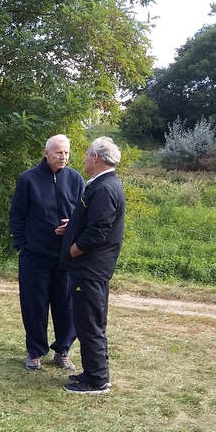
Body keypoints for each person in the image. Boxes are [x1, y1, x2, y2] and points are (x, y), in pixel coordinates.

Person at [9, 134, 85, 371]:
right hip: (34, 256)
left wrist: (73, 226)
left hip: (67, 257)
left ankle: (63, 351)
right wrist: (22, 246)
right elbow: (17, 214)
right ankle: (34, 352)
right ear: (46, 153)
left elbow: (85, 215)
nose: (63, 157)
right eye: (59, 152)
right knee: (34, 306)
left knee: (67, 306)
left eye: (67, 153)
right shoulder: (28, 179)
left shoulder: (76, 179)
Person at [60, 136, 125, 394]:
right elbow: (94, 220)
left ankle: (97, 381)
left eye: (87, 154)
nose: (84, 158)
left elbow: (98, 232)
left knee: (90, 323)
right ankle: (92, 373)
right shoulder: (101, 185)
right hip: (90, 269)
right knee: (86, 320)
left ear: (96, 158)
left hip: (91, 269)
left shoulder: (104, 188)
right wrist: (74, 225)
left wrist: (72, 250)